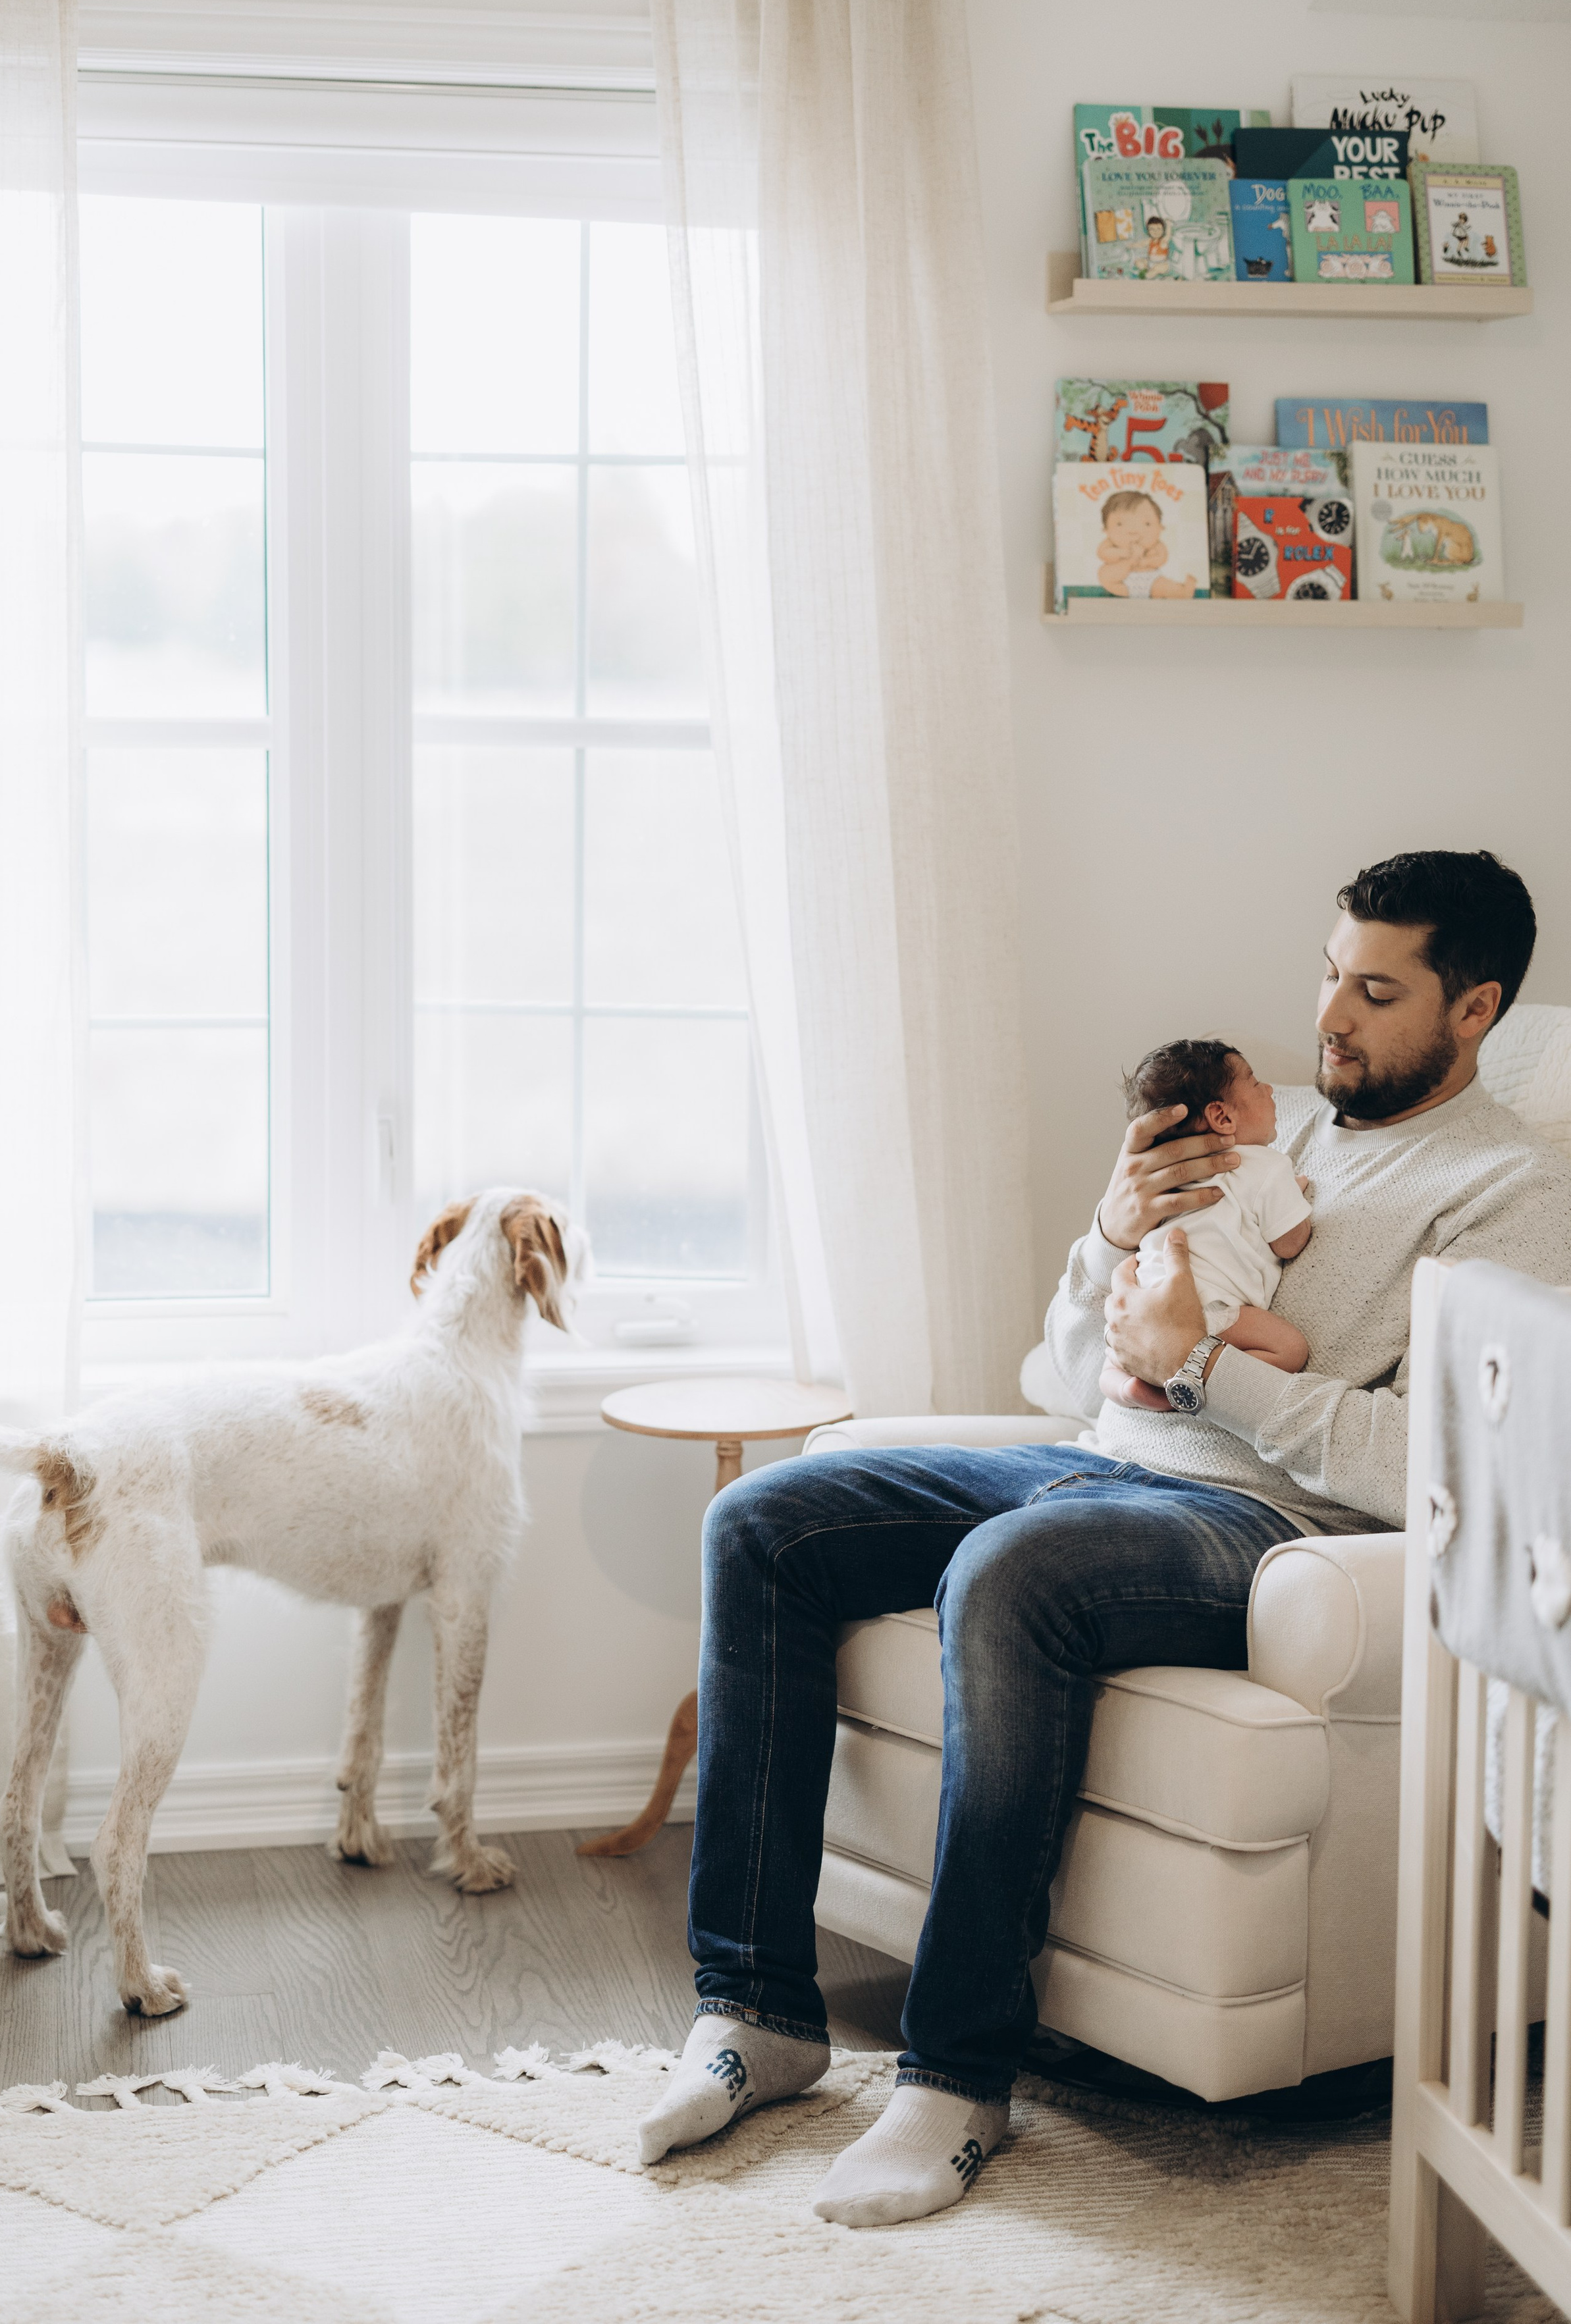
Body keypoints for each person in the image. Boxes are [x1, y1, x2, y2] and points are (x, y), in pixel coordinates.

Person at [635, 850, 1571, 2227]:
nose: (1330, 1015)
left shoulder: (1511, 1194)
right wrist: (1105, 1231)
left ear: (1474, 1008)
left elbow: (1428, 1464)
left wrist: (1207, 1372)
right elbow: (1062, 1371)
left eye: (1375, 991)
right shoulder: (1266, 1126)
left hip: (1256, 1524)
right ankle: (757, 2011)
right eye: (1327, 972)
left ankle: (957, 2077)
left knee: (1008, 1574)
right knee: (763, 1521)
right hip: (1092, 1461)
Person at [1127, 1040, 1312, 1377]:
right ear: (1222, 1116)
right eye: (1256, 1083)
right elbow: (1290, 1242)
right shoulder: (1268, 1166)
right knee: (1290, 1349)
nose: (1269, 1089)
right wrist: (1293, 1201)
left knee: (1117, 1361)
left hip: (1144, 1296)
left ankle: (1131, 1387)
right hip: (1207, 1306)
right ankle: (1192, 1381)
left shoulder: (1161, 1181)